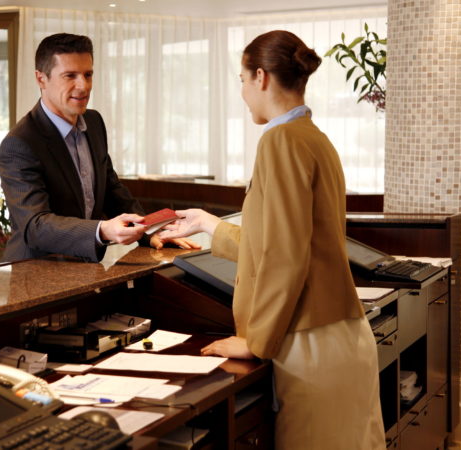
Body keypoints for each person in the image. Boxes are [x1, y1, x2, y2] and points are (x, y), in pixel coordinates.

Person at [159, 30, 385, 449]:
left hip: (310, 343)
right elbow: (283, 241)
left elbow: (284, 256)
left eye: (242, 80)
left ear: (260, 77)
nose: (243, 93)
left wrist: (256, 342)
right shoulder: (313, 137)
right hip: (338, 336)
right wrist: (209, 225)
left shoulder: (280, 141)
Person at [0, 33, 197, 262]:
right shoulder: (19, 143)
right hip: (36, 270)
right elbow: (35, 226)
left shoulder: (94, 122)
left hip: (88, 267)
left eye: (88, 74)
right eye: (70, 76)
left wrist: (151, 231)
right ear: (41, 79)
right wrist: (101, 230)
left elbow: (112, 191)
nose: (83, 86)